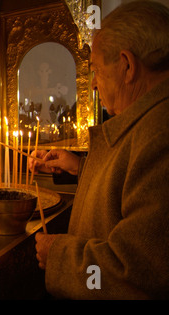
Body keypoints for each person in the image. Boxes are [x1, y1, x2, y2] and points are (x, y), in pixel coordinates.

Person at [31, 1, 169, 299]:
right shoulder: (147, 122)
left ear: (127, 66)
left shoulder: (161, 134)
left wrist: (59, 256)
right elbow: (132, 186)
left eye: (96, 70)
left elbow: (136, 274)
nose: (93, 84)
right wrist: (79, 167)